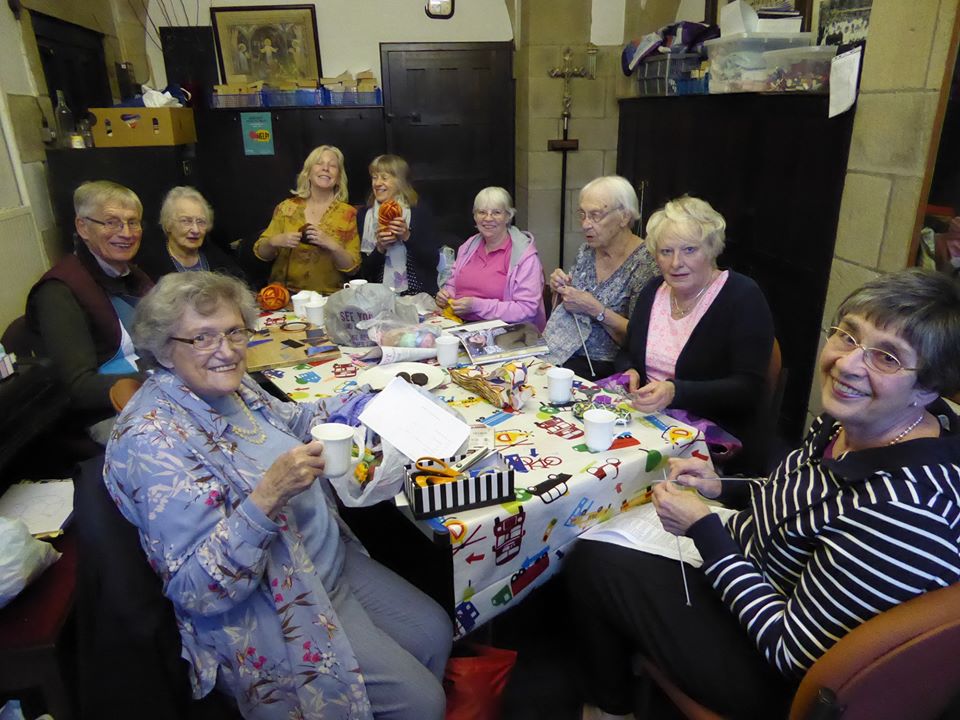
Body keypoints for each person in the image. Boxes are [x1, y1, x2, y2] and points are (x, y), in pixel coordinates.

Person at [566, 268, 960, 718]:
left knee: (592, 560)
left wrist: (706, 530)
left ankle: (611, 706)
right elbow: (797, 494)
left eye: (887, 358)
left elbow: (789, 650)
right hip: (751, 566)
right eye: (848, 336)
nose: (848, 365)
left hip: (770, 672)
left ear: (926, 388)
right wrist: (721, 486)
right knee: (605, 529)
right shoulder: (852, 421)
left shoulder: (906, 513)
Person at [103, 271, 451, 720]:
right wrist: (268, 495)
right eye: (202, 338)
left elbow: (295, 420)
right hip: (275, 600)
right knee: (422, 702)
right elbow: (196, 590)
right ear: (164, 349)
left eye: (233, 332)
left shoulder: (233, 386)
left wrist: (377, 397)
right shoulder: (153, 440)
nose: (225, 350)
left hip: (325, 557)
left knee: (436, 632)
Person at [615, 195, 774, 462]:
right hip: (648, 423)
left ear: (711, 249)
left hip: (706, 437)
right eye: (666, 252)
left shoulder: (742, 296)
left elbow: (748, 389)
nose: (676, 262)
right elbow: (627, 353)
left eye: (689, 250)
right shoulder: (654, 290)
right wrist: (629, 370)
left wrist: (676, 391)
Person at [26, 180, 152, 441]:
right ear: (82, 227)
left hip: (151, 391)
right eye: (111, 222)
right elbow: (78, 387)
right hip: (105, 414)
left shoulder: (133, 275)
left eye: (133, 222)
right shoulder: (59, 291)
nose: (126, 233)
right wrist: (156, 380)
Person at [542, 176, 658, 380]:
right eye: (582, 214)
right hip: (559, 352)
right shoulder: (586, 251)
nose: (585, 224)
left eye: (595, 215)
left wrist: (596, 309)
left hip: (602, 366)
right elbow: (567, 308)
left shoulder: (646, 263)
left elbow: (638, 340)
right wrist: (559, 289)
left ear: (624, 216)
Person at [252, 145, 361, 294]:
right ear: (308, 173)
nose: (326, 168)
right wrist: (275, 241)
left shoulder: (348, 214)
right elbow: (261, 253)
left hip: (328, 298)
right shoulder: (286, 208)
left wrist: (332, 245)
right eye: (319, 163)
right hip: (283, 297)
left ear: (338, 178)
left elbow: (353, 268)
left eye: (332, 166)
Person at [435, 186, 546, 329]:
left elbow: (526, 309)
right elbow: (452, 284)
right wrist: (446, 296)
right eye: (482, 212)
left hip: (505, 333)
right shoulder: (469, 246)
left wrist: (477, 306)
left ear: (508, 216)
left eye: (496, 212)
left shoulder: (524, 256)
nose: (488, 218)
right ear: (475, 216)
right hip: (460, 324)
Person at [358, 154, 444, 294]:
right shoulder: (364, 215)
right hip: (378, 296)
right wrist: (380, 248)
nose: (377, 183)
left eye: (384, 178)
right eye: (374, 177)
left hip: (418, 295)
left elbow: (432, 260)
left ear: (400, 181)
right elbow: (365, 273)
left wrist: (407, 237)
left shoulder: (419, 211)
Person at [135, 186, 244, 282]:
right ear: (168, 224)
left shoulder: (216, 256)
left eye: (201, 221)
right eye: (186, 221)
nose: (195, 230)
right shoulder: (151, 266)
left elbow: (243, 286)